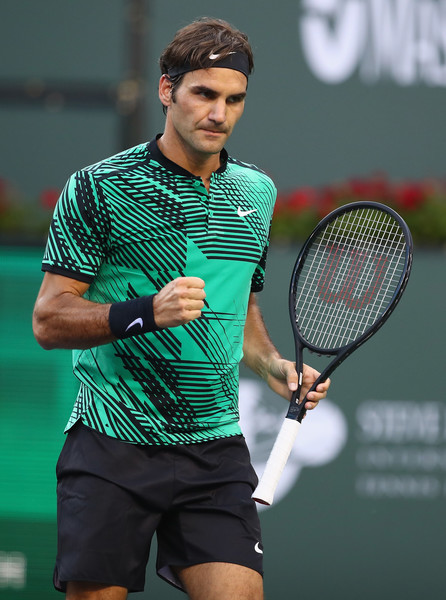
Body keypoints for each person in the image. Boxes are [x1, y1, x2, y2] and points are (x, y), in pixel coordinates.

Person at [32, 17, 330, 600]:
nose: (219, 113)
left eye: (234, 99)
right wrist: (143, 311)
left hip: (213, 449)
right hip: (113, 440)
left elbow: (240, 313)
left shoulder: (255, 192)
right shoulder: (99, 186)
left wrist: (276, 370)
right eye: (204, 94)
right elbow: (48, 319)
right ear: (168, 91)